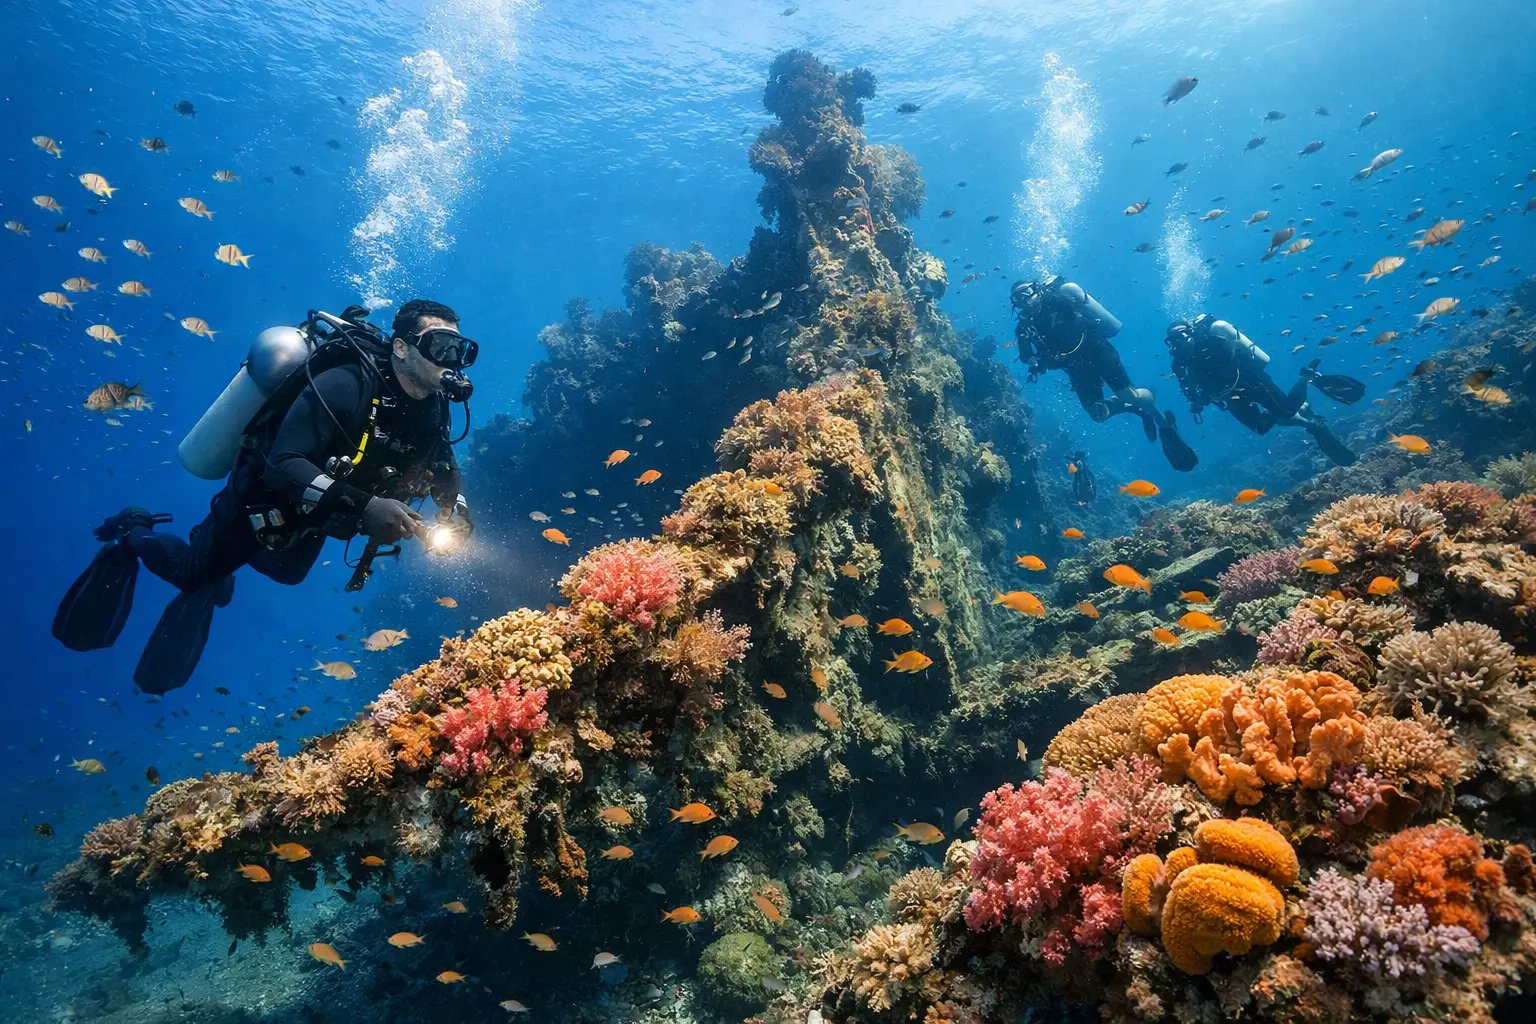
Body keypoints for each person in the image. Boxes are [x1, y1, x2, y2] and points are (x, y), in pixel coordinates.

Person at [53, 299, 477, 694]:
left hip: (319, 510)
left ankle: (223, 561)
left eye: (459, 350)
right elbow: (282, 464)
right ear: (401, 348)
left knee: (288, 573)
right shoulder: (346, 382)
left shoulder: (433, 407)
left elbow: (442, 464)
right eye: (440, 346)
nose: (451, 361)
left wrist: (455, 509)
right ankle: (136, 531)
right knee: (193, 576)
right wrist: (366, 505)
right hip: (258, 501)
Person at [1011, 277, 1197, 472]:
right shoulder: (1024, 327)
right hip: (1076, 367)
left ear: (1037, 289)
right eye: (1018, 298)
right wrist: (1036, 361)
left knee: (1129, 395)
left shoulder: (1058, 299)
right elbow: (1025, 356)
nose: (1024, 300)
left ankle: (1153, 409)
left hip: (1099, 351)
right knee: (1098, 414)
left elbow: (1092, 320)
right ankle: (1138, 409)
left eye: (1026, 292)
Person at [1163, 313, 1362, 466]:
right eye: (1171, 344)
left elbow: (1231, 362)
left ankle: (1306, 378)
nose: (1175, 347)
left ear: (1189, 334)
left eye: (1178, 340)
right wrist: (1197, 401)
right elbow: (1190, 391)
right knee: (1261, 427)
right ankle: (1309, 422)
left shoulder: (1213, 339)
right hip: (1229, 396)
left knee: (1287, 410)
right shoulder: (1178, 364)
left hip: (1251, 381)